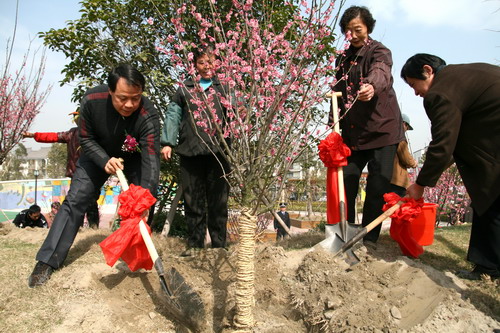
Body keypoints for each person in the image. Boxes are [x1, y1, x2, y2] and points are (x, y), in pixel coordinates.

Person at [28, 64, 161, 287]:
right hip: (96, 153)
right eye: (122, 98)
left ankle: (135, 260)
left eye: (135, 98)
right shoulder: (91, 100)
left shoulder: (148, 113)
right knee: (76, 199)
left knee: (141, 204)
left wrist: (145, 198)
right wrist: (103, 160)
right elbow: (85, 138)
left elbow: (151, 158)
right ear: (110, 92)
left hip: (134, 157)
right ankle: (47, 261)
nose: (129, 104)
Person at [401, 53, 500, 280]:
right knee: (489, 201)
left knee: (491, 201)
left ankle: (489, 267)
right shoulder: (463, 75)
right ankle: (488, 267)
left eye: (414, 84)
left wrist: (421, 184)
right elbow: (453, 142)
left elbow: (443, 144)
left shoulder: (440, 93)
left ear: (428, 70)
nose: (416, 92)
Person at [332, 6, 403, 246]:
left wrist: (371, 86)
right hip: (354, 134)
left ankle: (369, 237)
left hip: (382, 131)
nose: (351, 35)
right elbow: (338, 92)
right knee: (347, 183)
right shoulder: (342, 59)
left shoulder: (380, 51)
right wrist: (334, 123)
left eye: (357, 29)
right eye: (347, 30)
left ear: (368, 28)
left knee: (377, 186)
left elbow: (381, 73)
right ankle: (346, 235)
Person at [161, 46, 230, 256]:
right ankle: (195, 246)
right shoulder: (185, 88)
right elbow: (173, 115)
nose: (207, 67)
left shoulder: (226, 87)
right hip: (190, 150)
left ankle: (219, 246)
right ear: (195, 66)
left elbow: (239, 111)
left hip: (219, 153)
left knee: (219, 201)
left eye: (211, 62)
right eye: (202, 62)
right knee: (192, 200)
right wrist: (167, 142)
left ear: (218, 63)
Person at [23, 112, 100, 228]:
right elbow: (53, 136)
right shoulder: (72, 133)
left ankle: (91, 229)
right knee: (78, 203)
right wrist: (34, 135)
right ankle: (78, 230)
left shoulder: (94, 133)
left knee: (88, 203)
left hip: (90, 174)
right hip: (78, 174)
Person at [390, 114, 418, 197]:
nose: (406, 130)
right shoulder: (399, 135)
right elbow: (405, 157)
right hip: (396, 180)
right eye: (407, 127)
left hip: (381, 177)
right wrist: (413, 163)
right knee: (396, 205)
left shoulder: (385, 132)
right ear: (403, 124)